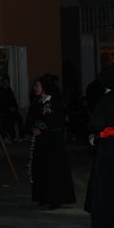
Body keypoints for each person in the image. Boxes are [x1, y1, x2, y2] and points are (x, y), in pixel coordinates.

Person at [25, 76, 75, 209]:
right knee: (40, 169)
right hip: (40, 142)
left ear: (44, 88)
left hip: (53, 143)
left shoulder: (55, 103)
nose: (35, 88)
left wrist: (45, 128)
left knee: (53, 170)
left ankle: (55, 199)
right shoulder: (36, 103)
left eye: (37, 86)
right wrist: (33, 128)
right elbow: (30, 119)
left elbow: (59, 122)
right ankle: (42, 196)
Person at [85, 66, 114, 228]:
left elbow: (97, 123)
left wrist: (93, 134)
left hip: (108, 146)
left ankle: (105, 225)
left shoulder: (105, 100)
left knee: (104, 185)